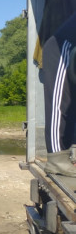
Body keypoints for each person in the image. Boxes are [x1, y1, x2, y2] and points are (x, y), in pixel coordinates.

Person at [41, 11, 76, 176]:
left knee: (72, 106)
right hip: (61, 49)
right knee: (59, 104)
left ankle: (71, 150)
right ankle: (56, 160)